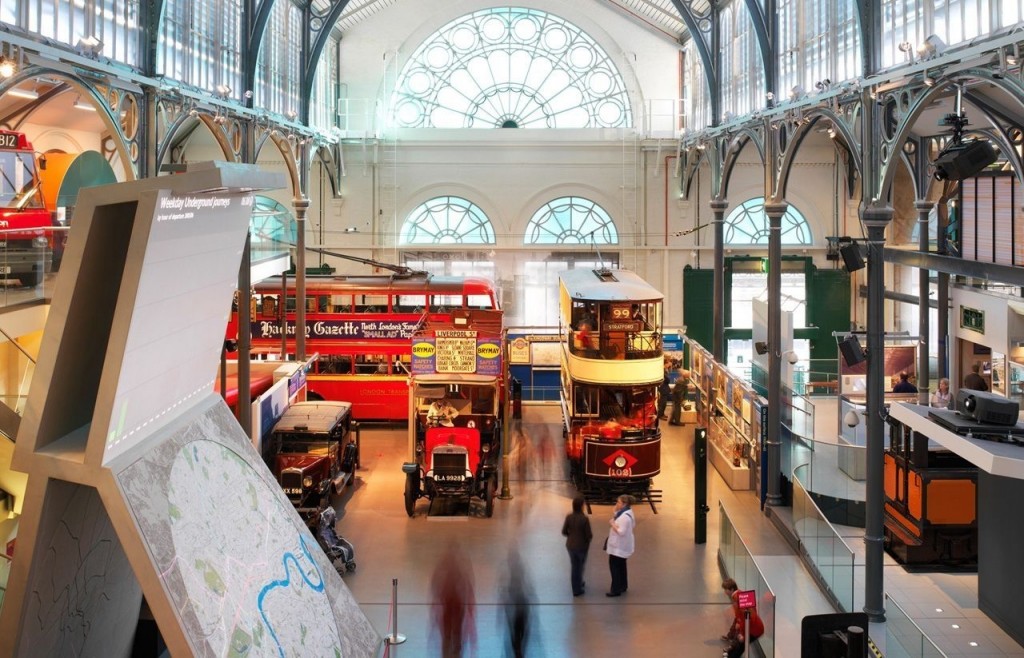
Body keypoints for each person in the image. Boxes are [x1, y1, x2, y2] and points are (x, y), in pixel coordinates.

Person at [432, 543, 476, 657]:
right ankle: (455, 651)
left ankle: (450, 651)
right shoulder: (461, 563)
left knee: (449, 633)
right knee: (455, 633)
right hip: (455, 604)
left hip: (451, 603)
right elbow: (468, 583)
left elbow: (436, 581)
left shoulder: (444, 563)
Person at [722, 578, 765, 658]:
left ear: (731, 589)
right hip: (755, 626)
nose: (725, 592)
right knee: (739, 644)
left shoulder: (737, 599)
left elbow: (747, 619)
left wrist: (743, 634)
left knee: (741, 646)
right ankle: (730, 653)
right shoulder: (741, 594)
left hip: (754, 629)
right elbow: (751, 612)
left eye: (726, 590)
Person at [561, 494, 593, 597]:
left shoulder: (569, 517)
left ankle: (578, 583)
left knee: (575, 566)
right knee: (579, 567)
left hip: (570, 545)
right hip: (582, 546)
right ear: (581, 506)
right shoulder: (584, 519)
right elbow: (589, 535)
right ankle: (577, 589)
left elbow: (564, 531)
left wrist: (571, 536)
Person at [605, 494, 635, 597]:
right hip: (623, 546)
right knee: (622, 566)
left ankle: (615, 589)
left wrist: (613, 524)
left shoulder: (624, 518)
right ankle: (623, 585)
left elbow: (621, 531)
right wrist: (615, 512)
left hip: (618, 547)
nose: (616, 504)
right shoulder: (628, 513)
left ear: (624, 504)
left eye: (618, 502)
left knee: (615, 567)